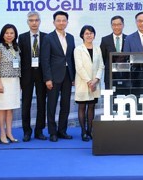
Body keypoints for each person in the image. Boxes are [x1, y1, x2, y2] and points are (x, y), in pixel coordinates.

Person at [41, 11, 76, 142]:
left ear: (67, 22)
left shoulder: (71, 37)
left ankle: (62, 131)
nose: (61, 22)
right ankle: (52, 132)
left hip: (68, 75)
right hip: (53, 77)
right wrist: (47, 78)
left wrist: (73, 77)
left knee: (65, 105)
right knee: (51, 105)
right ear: (54, 22)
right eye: (58, 20)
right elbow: (45, 60)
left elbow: (72, 58)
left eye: (64, 20)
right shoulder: (48, 38)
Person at [18, 11, 47, 142]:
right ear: (27, 22)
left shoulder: (46, 37)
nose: (34, 23)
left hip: (42, 75)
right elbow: (19, 58)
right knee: (26, 104)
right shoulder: (22, 37)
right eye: (31, 20)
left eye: (36, 20)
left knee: (42, 103)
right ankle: (27, 131)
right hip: (26, 75)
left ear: (40, 21)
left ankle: (39, 131)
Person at [0, 24, 21, 144]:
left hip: (15, 81)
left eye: (12, 33)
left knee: (10, 109)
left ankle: (9, 133)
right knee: (2, 109)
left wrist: (19, 83)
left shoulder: (16, 48)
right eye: (7, 33)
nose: (9, 35)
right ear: (3, 34)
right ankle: (2, 133)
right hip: (3, 81)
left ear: (15, 35)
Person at [74, 25, 103, 142]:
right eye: (86, 33)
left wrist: (96, 80)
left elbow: (101, 65)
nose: (89, 35)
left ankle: (90, 130)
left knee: (91, 106)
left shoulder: (97, 49)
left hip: (94, 83)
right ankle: (83, 132)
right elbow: (79, 67)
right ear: (82, 35)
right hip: (83, 82)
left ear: (94, 35)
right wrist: (89, 81)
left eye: (91, 33)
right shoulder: (78, 49)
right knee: (82, 107)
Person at [100, 15, 126, 89]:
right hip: (110, 75)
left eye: (119, 24)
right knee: (110, 98)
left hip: (125, 74)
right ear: (111, 26)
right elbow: (103, 58)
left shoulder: (128, 39)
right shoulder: (105, 40)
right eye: (114, 25)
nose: (116, 27)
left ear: (123, 25)